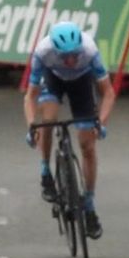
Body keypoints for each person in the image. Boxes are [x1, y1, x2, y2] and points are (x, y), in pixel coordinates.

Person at [24, 21, 115, 239]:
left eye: (75, 54)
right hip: (52, 79)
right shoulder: (43, 52)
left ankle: (90, 205)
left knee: (88, 145)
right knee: (48, 119)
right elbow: (30, 96)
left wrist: (101, 122)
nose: (71, 60)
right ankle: (46, 171)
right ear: (54, 50)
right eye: (65, 56)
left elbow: (108, 93)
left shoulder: (90, 51)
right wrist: (31, 126)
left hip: (82, 82)